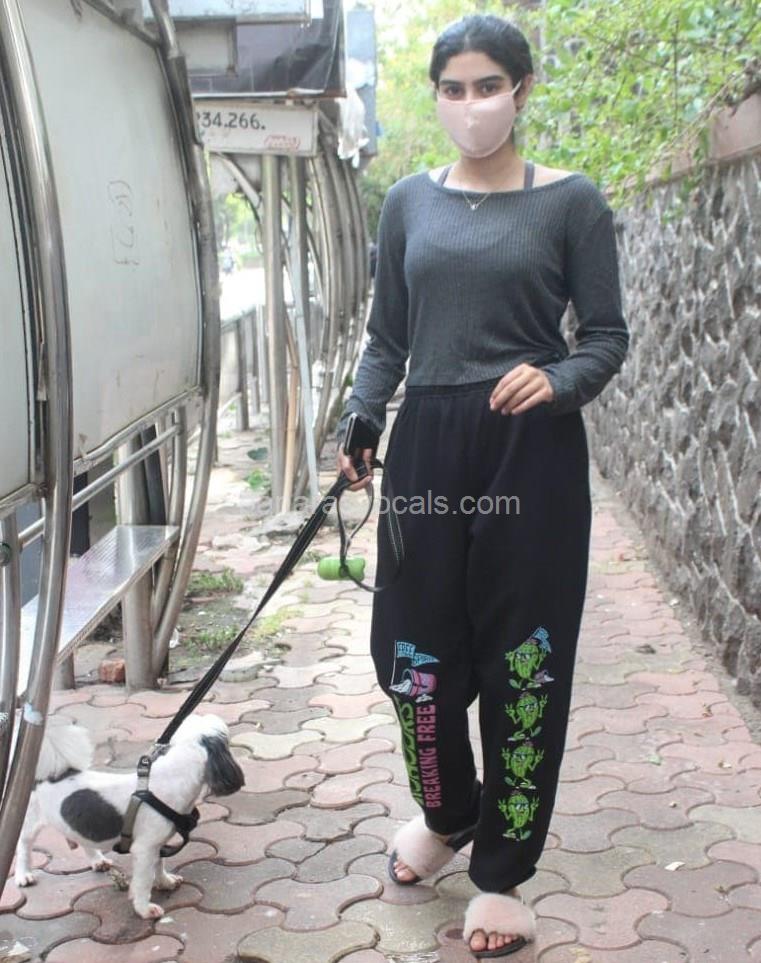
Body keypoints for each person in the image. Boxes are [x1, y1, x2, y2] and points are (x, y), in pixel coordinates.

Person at [335, 13, 629, 959]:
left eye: (488, 86)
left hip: (528, 454)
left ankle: (501, 873)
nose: (471, 105)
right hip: (427, 449)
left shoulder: (570, 202)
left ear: (521, 88)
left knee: (522, 661)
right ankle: (450, 809)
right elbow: (387, 337)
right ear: (436, 96)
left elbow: (605, 336)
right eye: (453, 89)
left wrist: (559, 379)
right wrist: (362, 419)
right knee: (411, 656)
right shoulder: (406, 204)